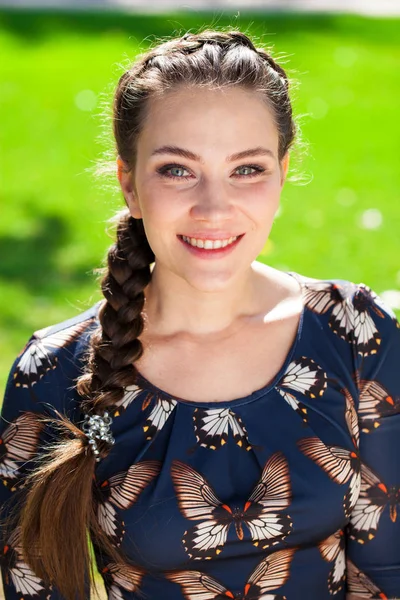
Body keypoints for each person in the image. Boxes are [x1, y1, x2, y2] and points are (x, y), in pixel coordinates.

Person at [0, 28, 399, 600]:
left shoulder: (353, 331)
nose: (214, 208)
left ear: (283, 177)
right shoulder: (55, 372)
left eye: (247, 169)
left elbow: (388, 572)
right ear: (130, 185)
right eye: (177, 170)